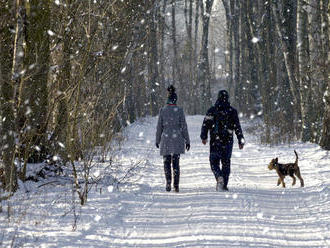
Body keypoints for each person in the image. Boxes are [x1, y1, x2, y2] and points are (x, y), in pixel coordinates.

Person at [200, 90, 244, 191]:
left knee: (214, 161)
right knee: (226, 162)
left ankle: (219, 177)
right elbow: (237, 127)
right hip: (228, 140)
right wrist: (240, 140)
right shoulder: (232, 111)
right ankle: (224, 184)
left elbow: (205, 124)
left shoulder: (212, 110)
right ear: (227, 98)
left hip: (215, 140)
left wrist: (204, 137)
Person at [156, 85, 190, 192]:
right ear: (176, 100)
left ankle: (168, 182)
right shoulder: (179, 110)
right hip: (177, 138)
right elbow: (184, 126)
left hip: (166, 138)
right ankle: (176, 185)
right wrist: (187, 140)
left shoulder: (163, 110)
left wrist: (157, 140)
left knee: (166, 162)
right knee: (176, 162)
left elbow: (159, 127)